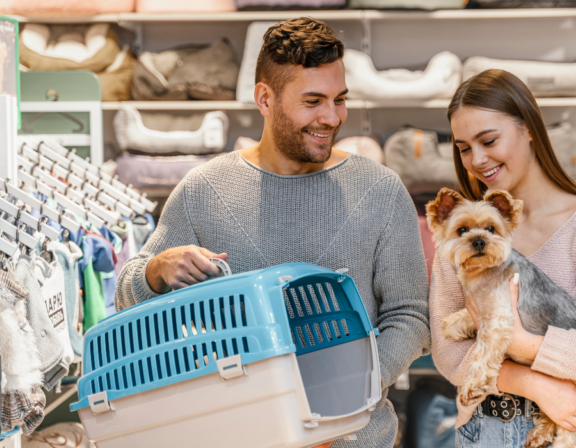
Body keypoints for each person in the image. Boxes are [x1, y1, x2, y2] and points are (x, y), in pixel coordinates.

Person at [115, 17, 431, 448]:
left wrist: (346, 387)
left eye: (340, 99)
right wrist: (156, 270)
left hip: (354, 438)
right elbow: (126, 298)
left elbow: (410, 315)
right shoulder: (203, 189)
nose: (332, 117)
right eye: (313, 101)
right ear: (265, 98)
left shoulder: (380, 189)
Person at [429, 70, 576, 448]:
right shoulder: (459, 238)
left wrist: (526, 346)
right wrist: (535, 384)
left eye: (488, 140)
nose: (477, 159)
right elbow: (447, 351)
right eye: (464, 148)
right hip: (483, 433)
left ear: (530, 127)